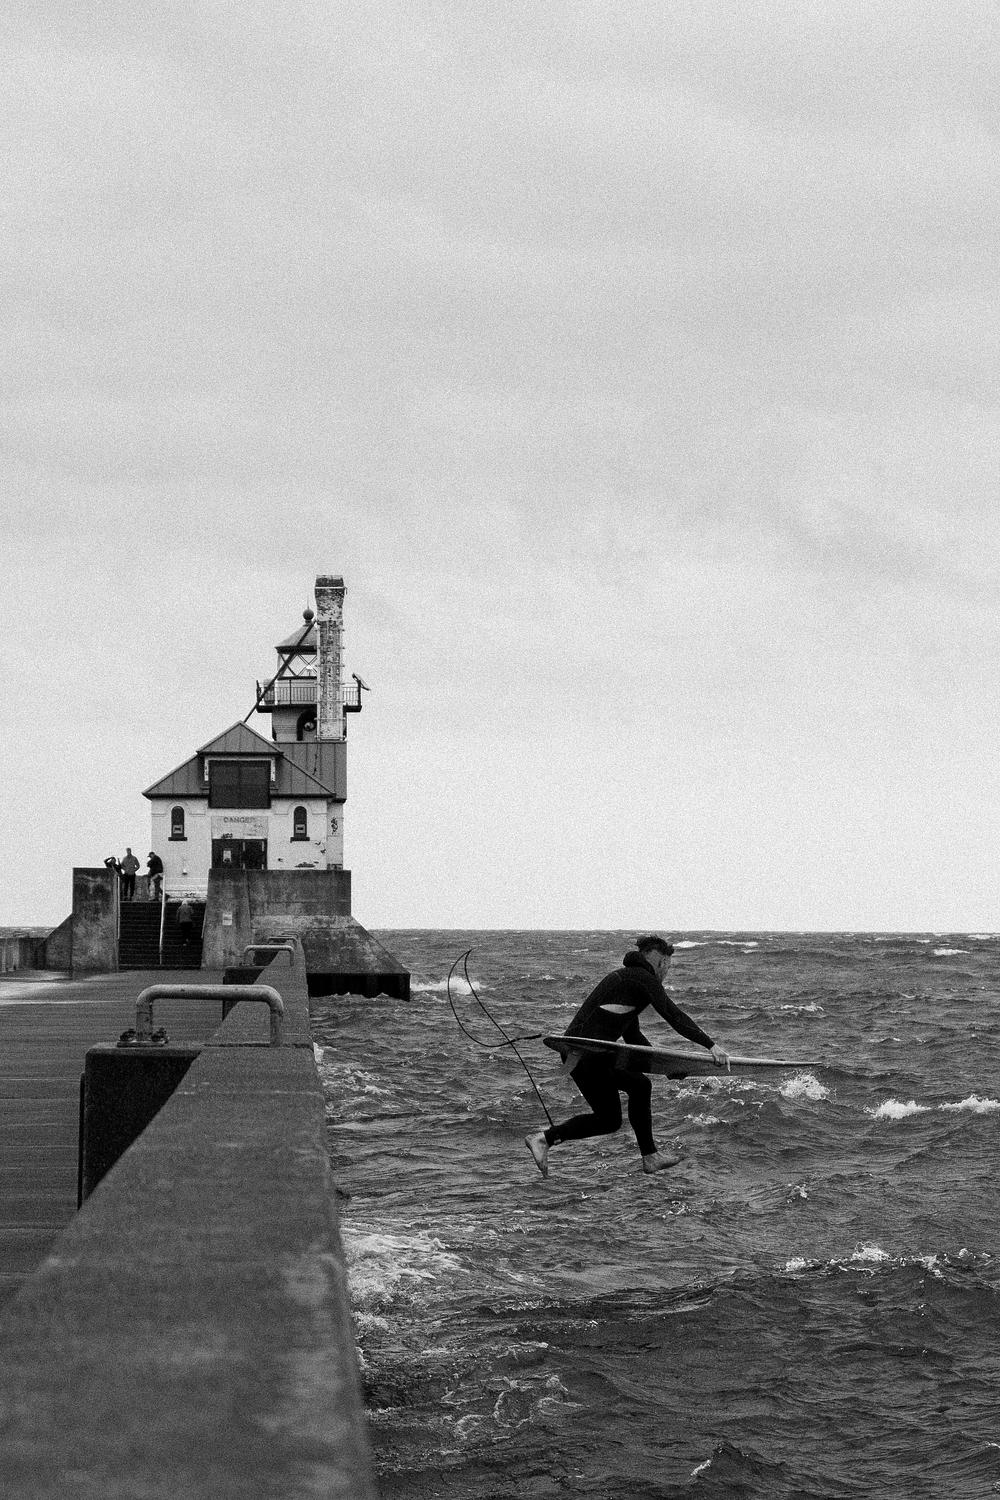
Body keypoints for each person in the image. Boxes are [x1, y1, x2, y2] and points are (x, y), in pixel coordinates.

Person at [525, 936, 729, 1177]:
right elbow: (673, 1015)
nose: (666, 973)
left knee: (611, 1118)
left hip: (580, 1055)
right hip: (588, 1053)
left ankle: (545, 1139)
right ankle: (650, 1156)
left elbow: (633, 1036)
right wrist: (711, 1045)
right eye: (668, 967)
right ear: (661, 961)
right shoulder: (642, 978)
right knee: (638, 1087)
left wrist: (666, 1067)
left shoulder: (627, 981)